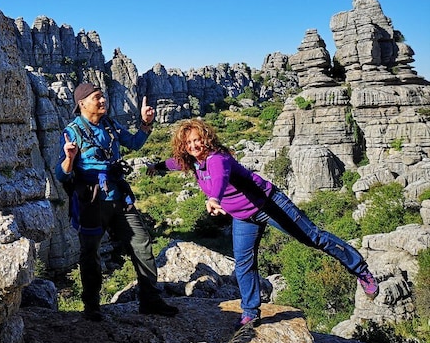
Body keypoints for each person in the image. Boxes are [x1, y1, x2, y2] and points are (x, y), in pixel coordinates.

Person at [147, 118, 379, 329]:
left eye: (198, 140)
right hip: (243, 217)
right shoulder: (192, 162)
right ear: (184, 146)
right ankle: (250, 312)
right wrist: (155, 167)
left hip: (270, 205)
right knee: (244, 264)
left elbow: (218, 178)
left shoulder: (218, 158)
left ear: (206, 139)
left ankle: (362, 271)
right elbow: (172, 163)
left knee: (314, 238)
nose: (194, 146)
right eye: (189, 143)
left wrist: (214, 198)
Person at [55, 82, 178, 321]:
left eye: (103, 97)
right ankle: (92, 306)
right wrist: (69, 158)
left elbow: (134, 143)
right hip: (91, 201)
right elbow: (62, 175)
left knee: (141, 243)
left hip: (118, 195)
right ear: (82, 103)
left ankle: (150, 299)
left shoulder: (110, 125)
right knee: (90, 253)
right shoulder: (72, 131)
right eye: (97, 98)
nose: (103, 101)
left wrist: (146, 123)